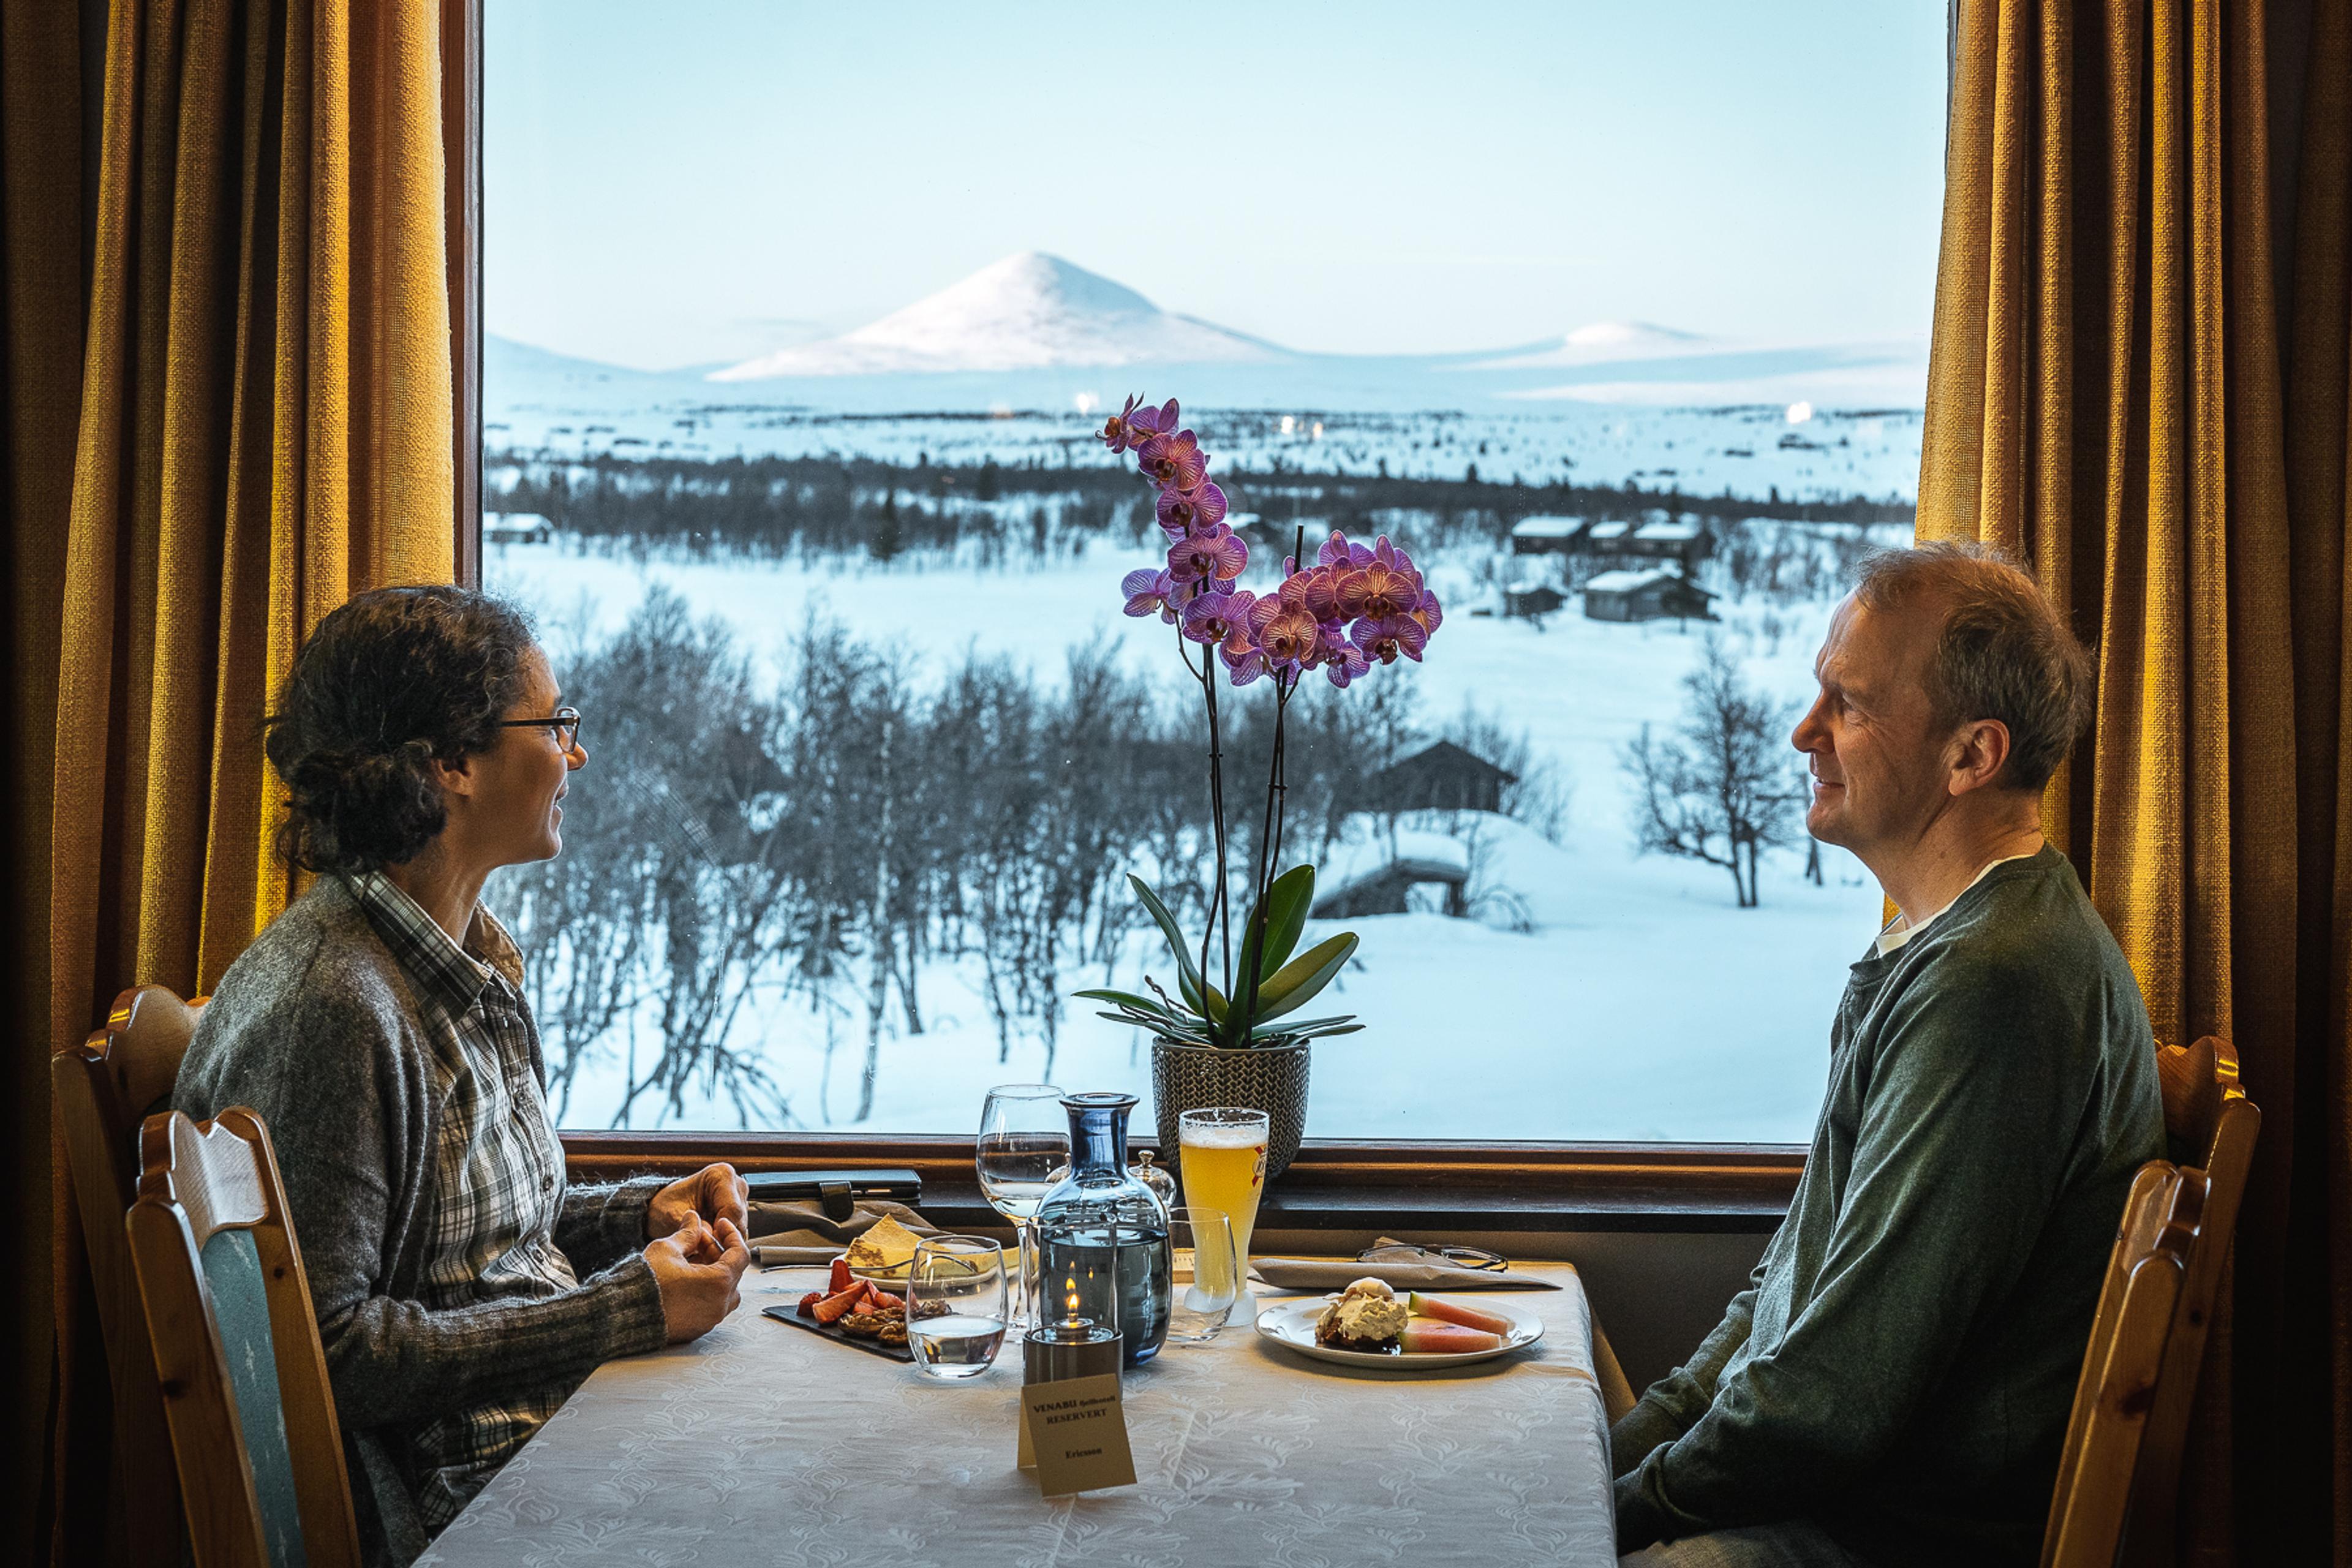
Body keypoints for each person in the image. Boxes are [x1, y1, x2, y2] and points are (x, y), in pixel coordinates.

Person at [1610, 543, 2165, 1567]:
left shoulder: (1994, 984)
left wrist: (1607, 1519)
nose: (1802, 732)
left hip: (1886, 1538)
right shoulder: (1943, 945)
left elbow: (1834, 1394)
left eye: (1849, 705)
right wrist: (1605, 1468)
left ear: (1971, 757)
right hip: (1840, 1505)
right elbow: (1784, 1300)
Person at [176, 586, 753, 1567]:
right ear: (449, 763)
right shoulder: (334, 1007)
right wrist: (627, 1309)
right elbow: (333, 1352)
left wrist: (636, 1218)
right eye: (556, 724)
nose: (575, 753)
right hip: (477, 1497)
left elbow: (472, 1248)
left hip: (547, 1427)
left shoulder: (463, 958)